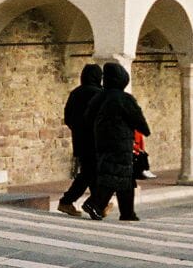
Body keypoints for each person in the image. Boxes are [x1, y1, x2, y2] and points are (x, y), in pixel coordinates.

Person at [81, 61, 150, 222]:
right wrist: (144, 129)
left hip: (102, 141)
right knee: (116, 175)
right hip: (121, 142)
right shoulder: (124, 99)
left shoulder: (99, 97)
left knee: (124, 177)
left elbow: (88, 118)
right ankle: (95, 203)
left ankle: (128, 213)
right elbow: (137, 119)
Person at [55, 64, 102, 217]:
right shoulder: (99, 94)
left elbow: (68, 117)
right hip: (96, 141)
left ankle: (96, 204)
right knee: (91, 173)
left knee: (89, 172)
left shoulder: (75, 93)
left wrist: (78, 129)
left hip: (80, 141)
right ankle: (69, 201)